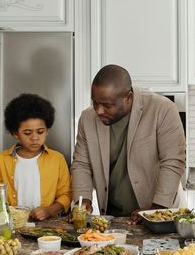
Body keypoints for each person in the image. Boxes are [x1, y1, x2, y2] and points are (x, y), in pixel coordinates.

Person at [71, 64, 186, 221]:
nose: (98, 111)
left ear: (128, 98)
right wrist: (82, 203)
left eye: (107, 105)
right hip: (115, 216)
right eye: (95, 103)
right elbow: (81, 164)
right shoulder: (87, 118)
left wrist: (156, 210)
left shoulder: (163, 109)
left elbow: (173, 162)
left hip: (162, 211)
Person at [0, 93, 71, 220]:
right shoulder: (2, 160)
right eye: (27, 133)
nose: (35, 138)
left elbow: (66, 195)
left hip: (48, 226)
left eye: (40, 132)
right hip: (13, 225)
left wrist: (49, 210)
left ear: (47, 130)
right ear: (15, 133)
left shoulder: (57, 159)